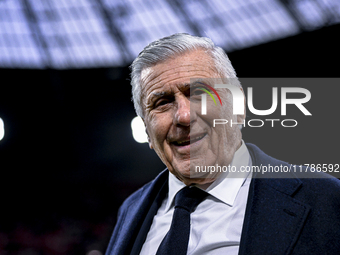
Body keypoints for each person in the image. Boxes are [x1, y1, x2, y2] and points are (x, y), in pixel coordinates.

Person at [105, 33, 340, 255]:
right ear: (147, 131)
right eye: (162, 102)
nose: (184, 116)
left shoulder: (325, 199)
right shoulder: (130, 209)